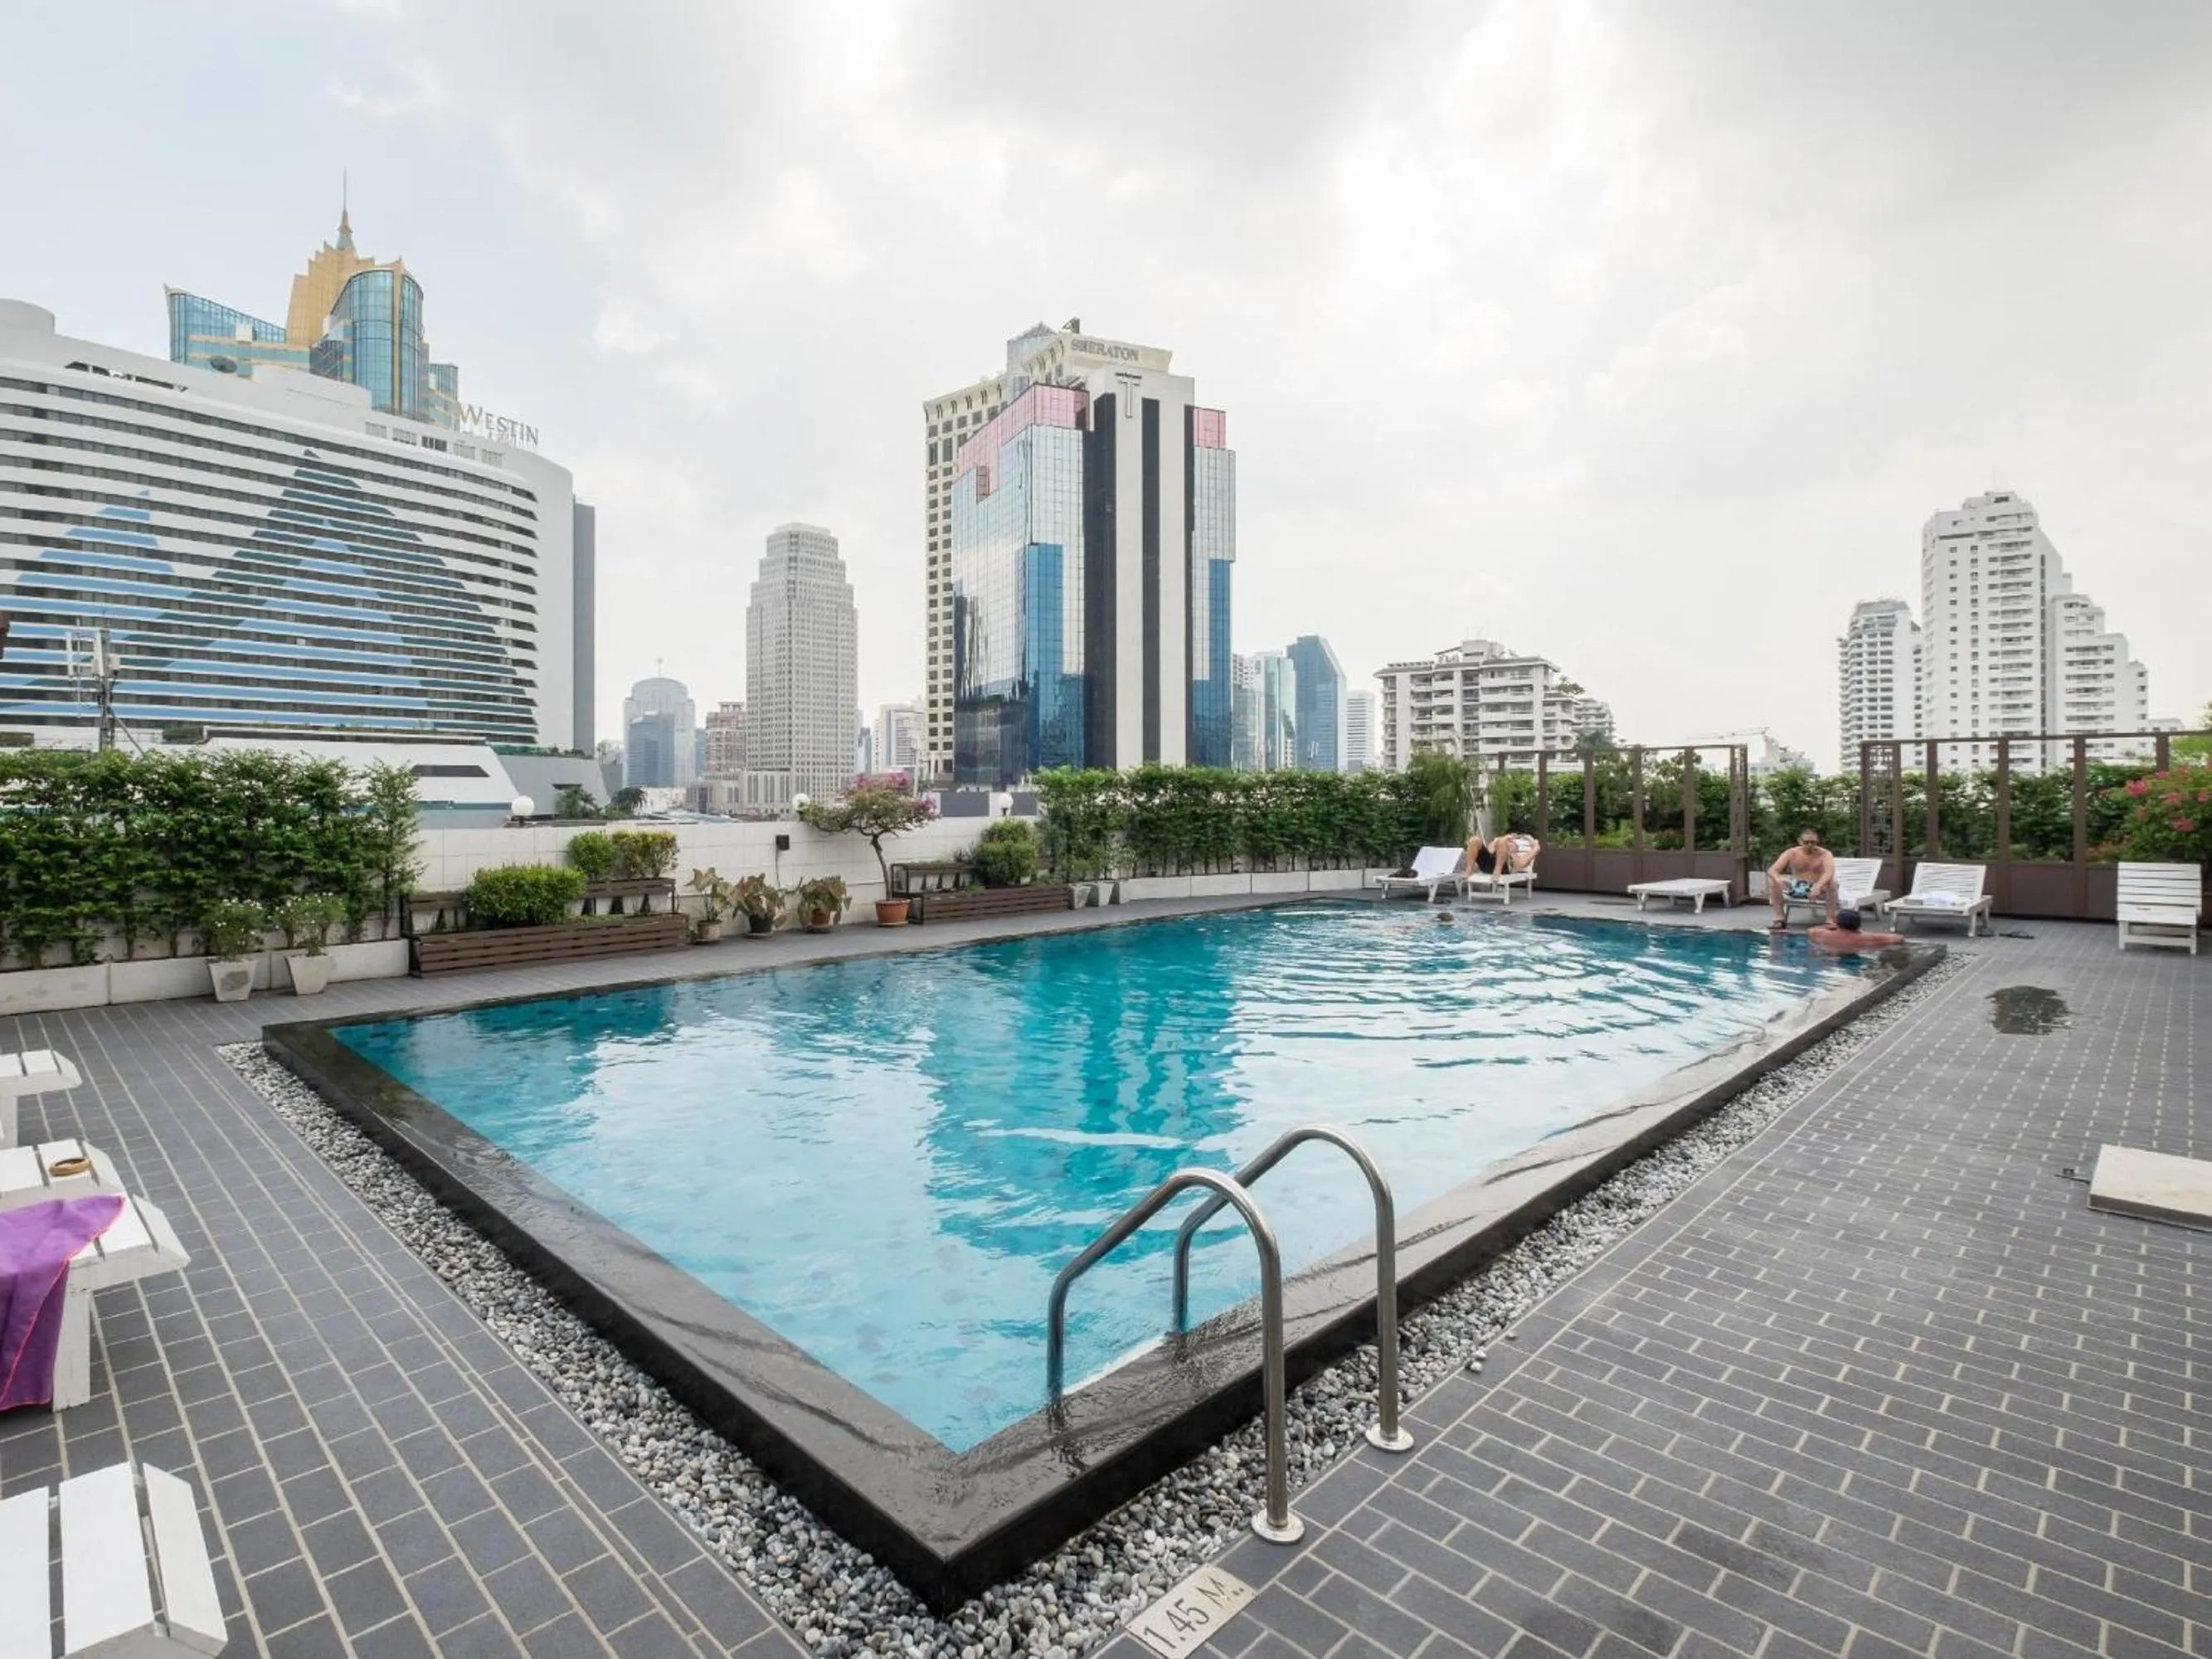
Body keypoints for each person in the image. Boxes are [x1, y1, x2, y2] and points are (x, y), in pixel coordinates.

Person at [1766, 828, 1836, 930]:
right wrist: (1778, 879)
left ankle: (1830, 920)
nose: (1810, 845)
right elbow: (1772, 870)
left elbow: (1829, 872)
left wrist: (1818, 886)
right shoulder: (1791, 853)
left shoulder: (1825, 854)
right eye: (1806, 842)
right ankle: (1779, 919)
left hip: (1818, 888)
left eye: (1813, 842)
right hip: (1797, 886)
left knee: (1832, 884)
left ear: (1817, 842)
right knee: (1773, 882)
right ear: (1800, 841)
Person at [1807, 908, 1905, 953]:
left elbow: (1811, 930)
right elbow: (1899, 938)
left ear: (1837, 923)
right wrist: (1865, 933)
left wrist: (1831, 926)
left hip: (1833, 957)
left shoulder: (1823, 935)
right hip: (1858, 956)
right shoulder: (1868, 938)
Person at [1464, 832, 1540, 880]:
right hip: (1490, 863)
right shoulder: (1500, 845)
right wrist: (1499, 840)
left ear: (1517, 848)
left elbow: (1537, 848)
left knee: (1503, 841)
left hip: (1504, 869)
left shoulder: (1519, 859)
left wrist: (1533, 842)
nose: (1510, 843)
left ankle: (1497, 870)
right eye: (1510, 841)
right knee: (1475, 840)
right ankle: (1469, 869)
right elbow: (1490, 849)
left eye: (1513, 843)